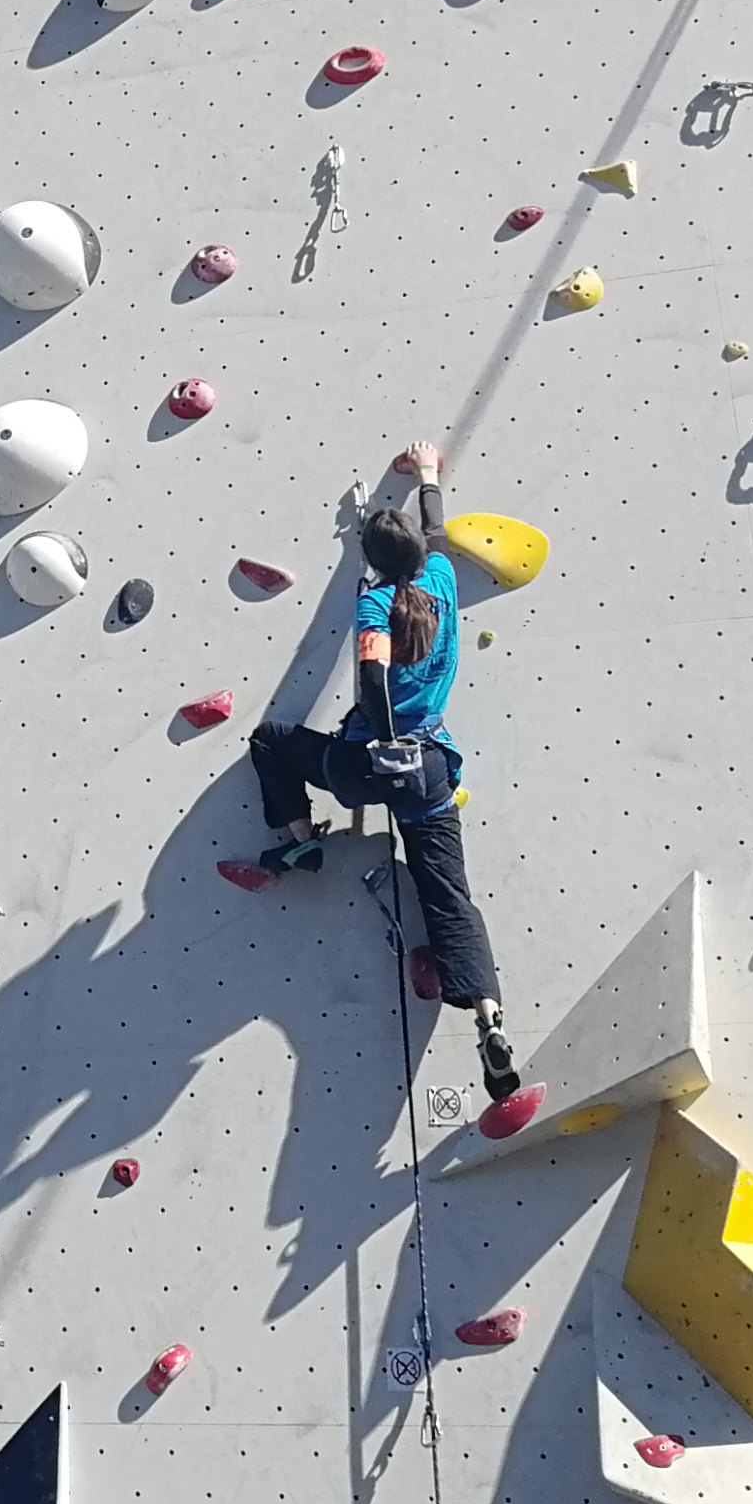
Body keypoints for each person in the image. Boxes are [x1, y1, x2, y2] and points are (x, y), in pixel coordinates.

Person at [229, 444, 522, 1105]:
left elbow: (371, 679)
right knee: (449, 896)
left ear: (374, 563)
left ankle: (301, 841)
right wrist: (428, 474)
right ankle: (489, 1019)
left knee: (272, 742)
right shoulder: (442, 579)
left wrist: (382, 736)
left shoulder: (373, 608)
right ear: (419, 553)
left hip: (362, 769)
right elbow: (438, 528)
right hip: (428, 774)